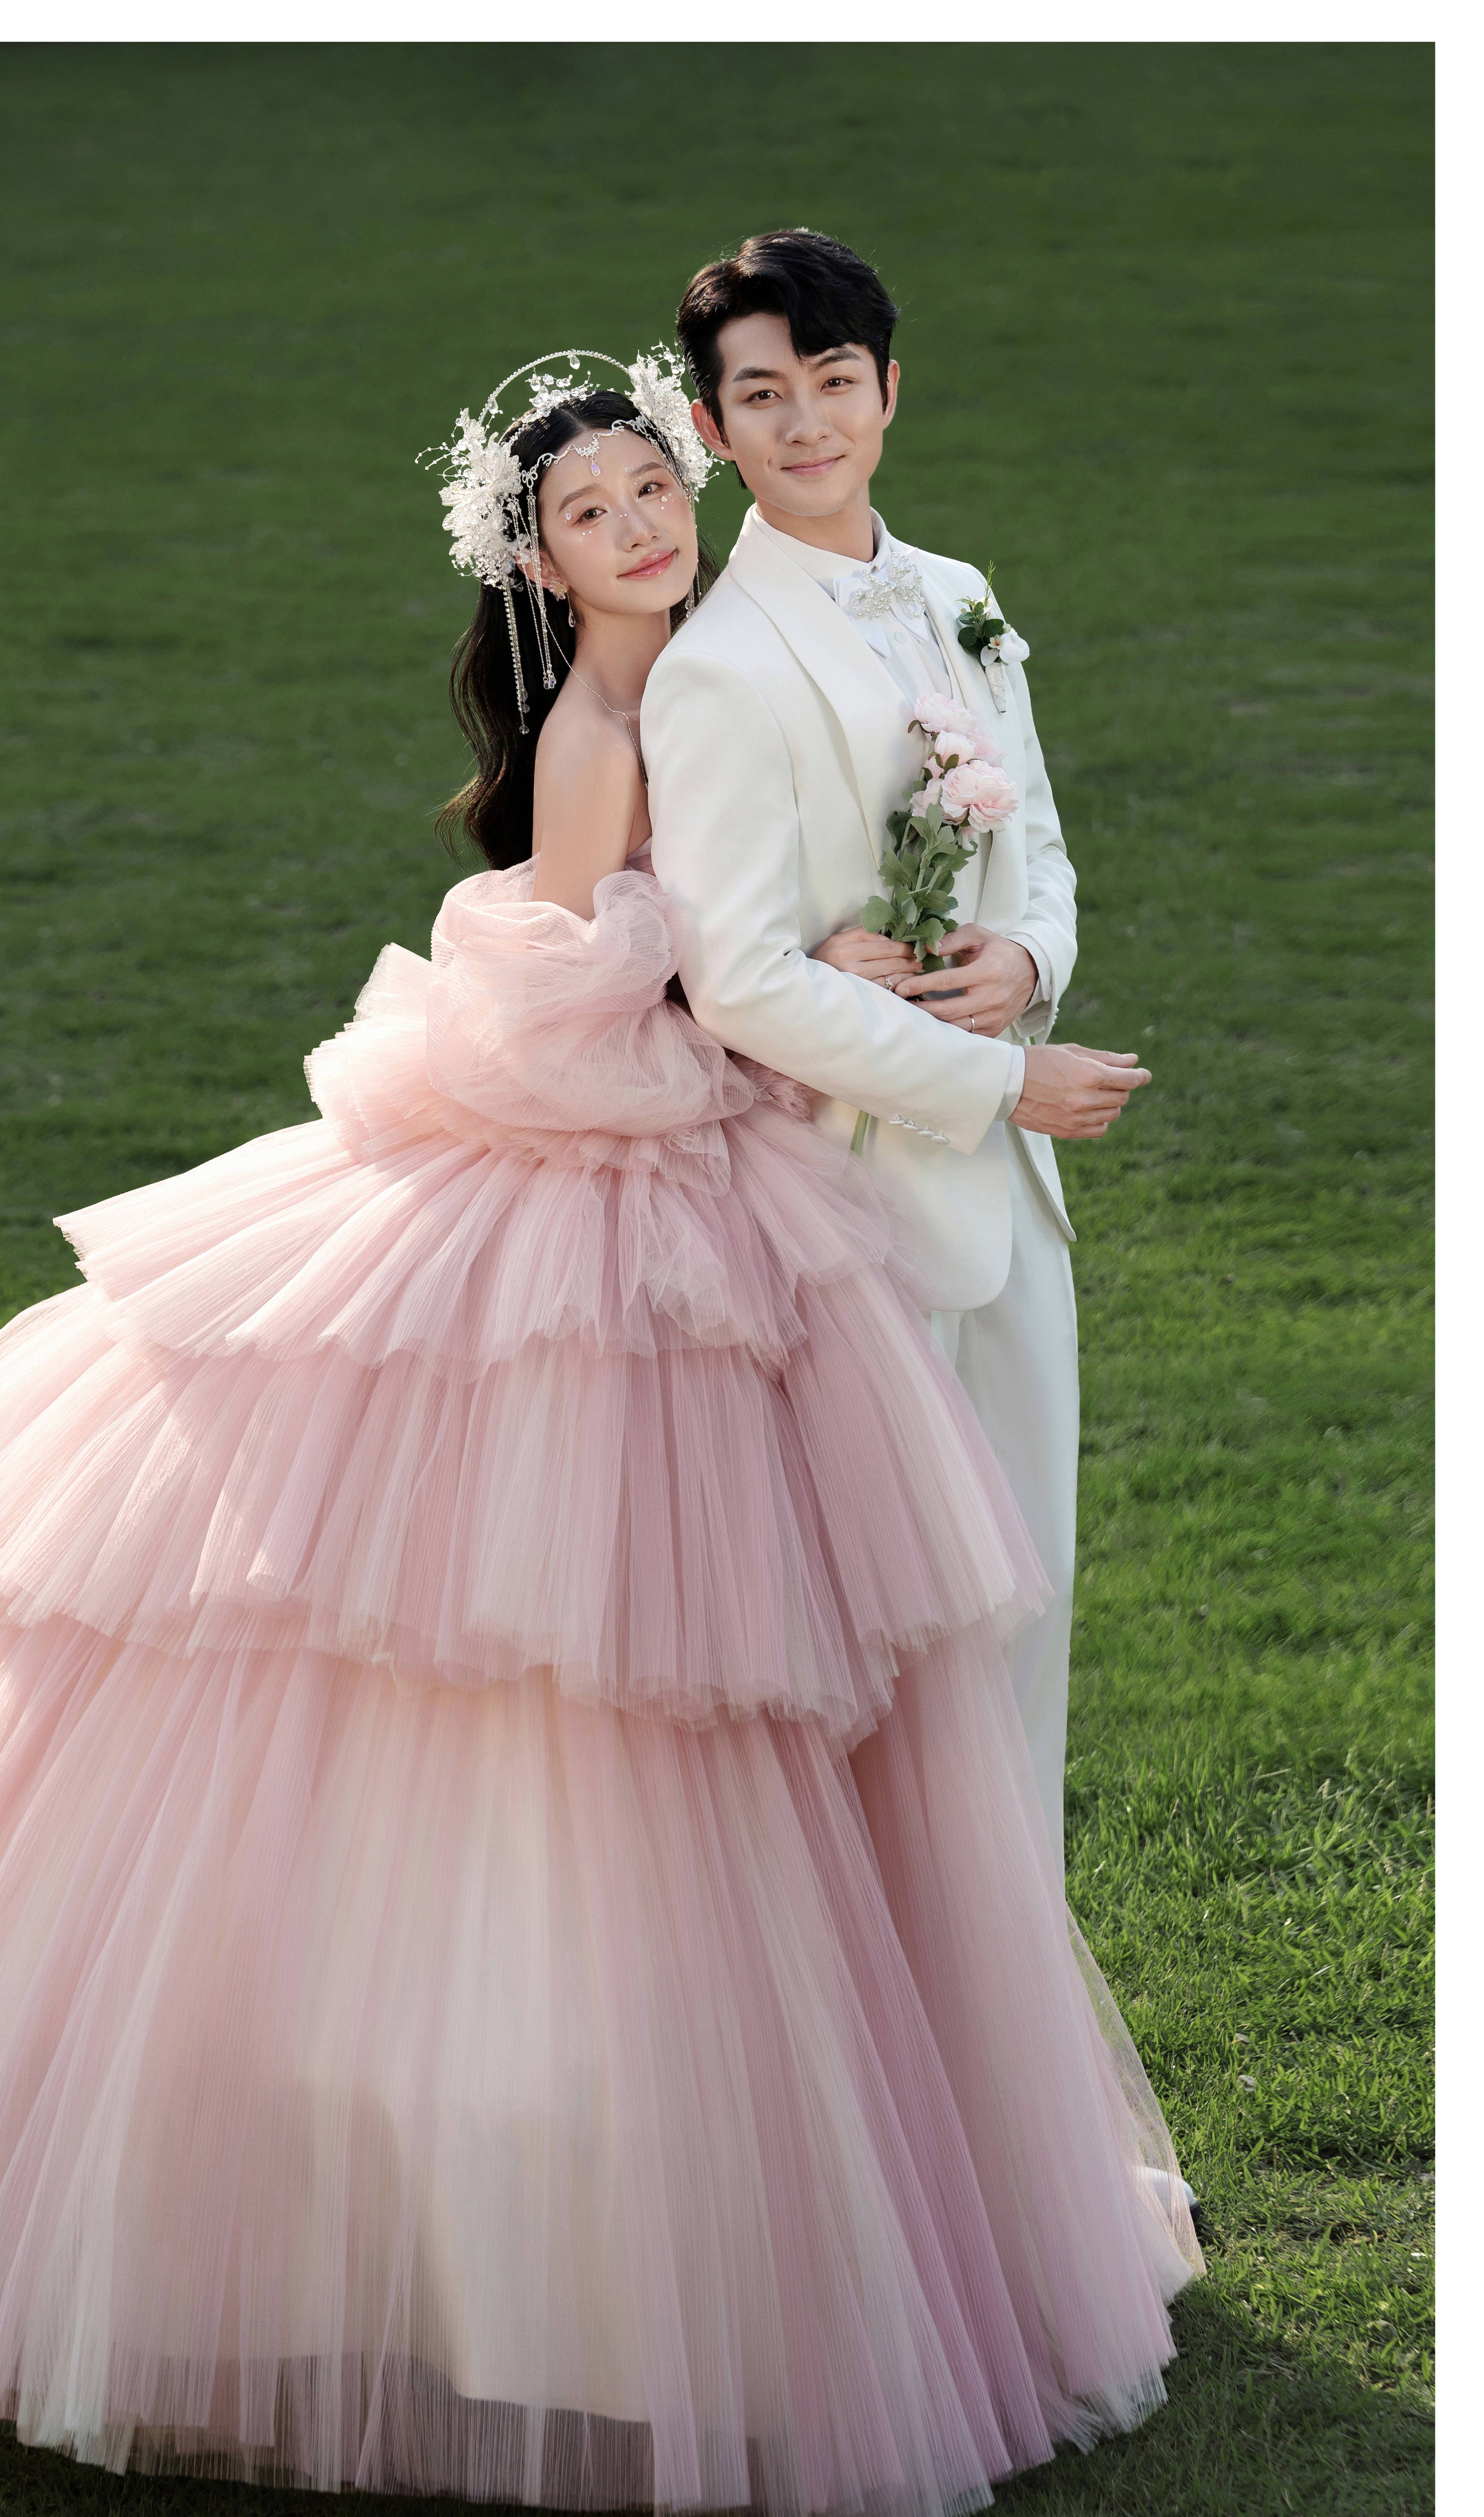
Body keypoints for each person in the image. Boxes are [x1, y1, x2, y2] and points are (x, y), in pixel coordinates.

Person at [0, 348, 1200, 2517]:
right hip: (605, 1201)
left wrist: (818, 965)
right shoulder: (607, 732)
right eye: (592, 511)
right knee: (551, 1664)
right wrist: (777, 987)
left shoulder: (724, 660)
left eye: (653, 486)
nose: (641, 525)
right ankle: (467, 2215)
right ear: (537, 565)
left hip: (717, 1178)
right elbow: (581, 1007)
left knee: (694, 1681)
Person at [644, 230, 1148, 1885]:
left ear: (889, 392)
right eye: (761, 397)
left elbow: (1041, 845)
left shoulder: (957, 595)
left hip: (1015, 1205)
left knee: (1025, 1622)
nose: (806, 424)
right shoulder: (717, 666)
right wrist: (1001, 1080)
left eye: (834, 382)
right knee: (892, 1662)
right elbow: (738, 976)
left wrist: (1030, 961)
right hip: (845, 1218)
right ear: (711, 429)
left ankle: (1009, 2020)